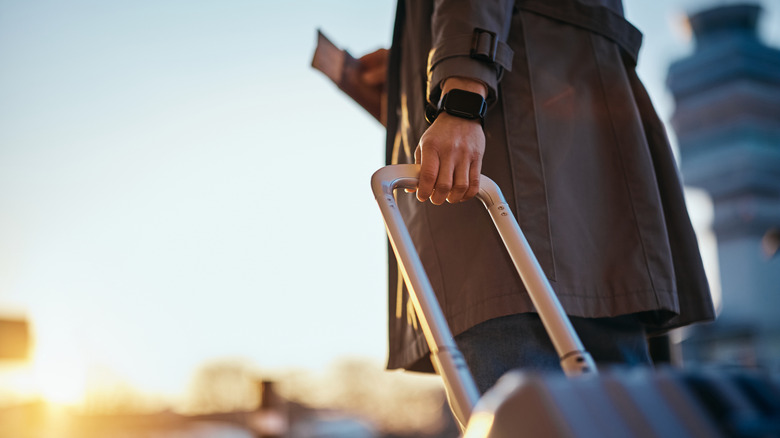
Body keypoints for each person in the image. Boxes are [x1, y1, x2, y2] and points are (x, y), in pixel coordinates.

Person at [359, 0, 716, 395]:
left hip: (515, 192)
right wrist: (416, 76)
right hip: (584, 169)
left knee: (531, 407)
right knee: (617, 408)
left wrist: (460, 93)